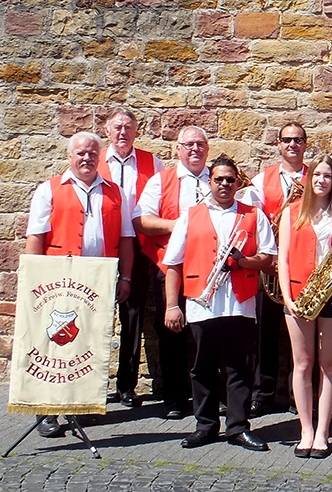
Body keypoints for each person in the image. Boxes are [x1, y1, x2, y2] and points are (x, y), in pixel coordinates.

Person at [163, 156, 276, 451]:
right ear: (209, 182)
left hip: (241, 304)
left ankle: (238, 427)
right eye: (219, 179)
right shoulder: (191, 215)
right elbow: (172, 264)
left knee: (240, 367)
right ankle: (206, 426)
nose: (224, 184)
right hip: (202, 303)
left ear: (238, 183)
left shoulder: (253, 215)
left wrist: (243, 261)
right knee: (202, 367)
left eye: (230, 179)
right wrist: (171, 305)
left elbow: (269, 258)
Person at [26, 131, 135, 437]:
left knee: (89, 342)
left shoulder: (116, 193)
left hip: (98, 279)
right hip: (57, 280)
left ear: (99, 157)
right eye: (80, 153)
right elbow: (35, 237)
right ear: (70, 156)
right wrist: (35, 278)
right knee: (51, 345)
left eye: (92, 154)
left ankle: (80, 404)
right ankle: (45, 412)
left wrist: (125, 277)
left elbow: (126, 239)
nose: (87, 158)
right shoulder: (49, 190)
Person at [277, 155, 332, 459]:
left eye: (327, 176)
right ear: (309, 177)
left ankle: (323, 433)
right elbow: (283, 260)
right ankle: (306, 431)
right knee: (302, 364)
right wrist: (287, 298)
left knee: (329, 365)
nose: (321, 180)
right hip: (300, 295)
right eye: (317, 175)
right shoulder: (291, 214)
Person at [133, 125, 212, 420]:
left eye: (200, 144)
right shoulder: (161, 180)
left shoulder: (217, 178)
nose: (195, 149)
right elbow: (141, 220)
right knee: (171, 331)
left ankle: (209, 396)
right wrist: (181, 225)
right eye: (188, 144)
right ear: (177, 149)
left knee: (209, 333)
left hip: (210, 268)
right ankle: (175, 397)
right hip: (170, 266)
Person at [96, 109, 164, 409]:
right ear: (107, 130)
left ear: (137, 131)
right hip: (100, 246)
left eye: (128, 127)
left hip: (137, 248)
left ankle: (126, 385)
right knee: (93, 316)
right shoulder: (92, 159)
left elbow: (162, 201)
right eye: (117, 127)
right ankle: (91, 387)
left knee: (133, 315)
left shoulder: (153, 162)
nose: (123, 132)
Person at [247, 122, 308, 417]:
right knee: (265, 333)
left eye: (298, 140)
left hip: (305, 266)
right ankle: (264, 393)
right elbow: (253, 219)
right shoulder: (262, 179)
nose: (292, 144)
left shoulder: (316, 177)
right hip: (270, 266)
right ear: (279, 145)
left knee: (303, 334)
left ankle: (301, 395)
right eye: (287, 140)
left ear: (305, 144)